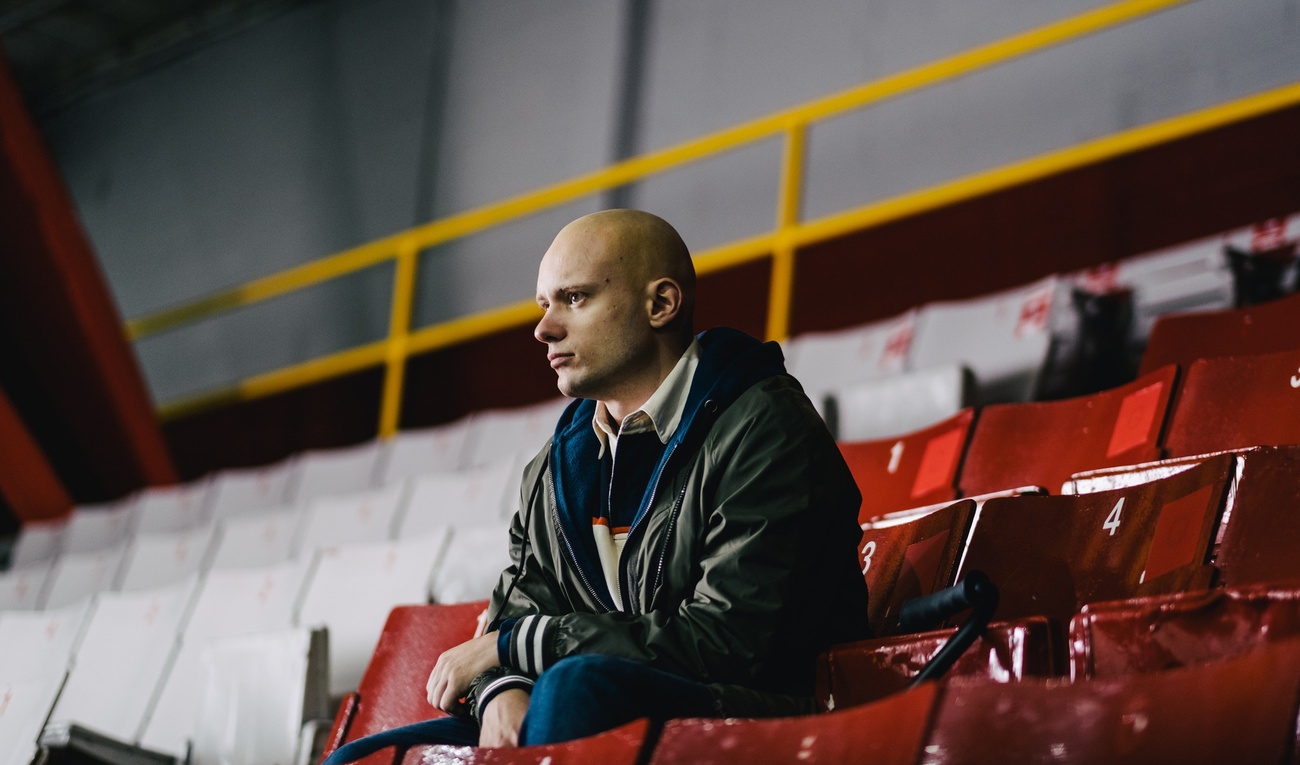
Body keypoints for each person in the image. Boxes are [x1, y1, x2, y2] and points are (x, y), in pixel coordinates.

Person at [324, 210, 869, 763]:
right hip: (603, 712)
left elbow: (731, 643)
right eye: (544, 305)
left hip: (764, 717)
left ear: (661, 305)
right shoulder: (556, 466)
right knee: (354, 760)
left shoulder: (765, 428)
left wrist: (524, 648)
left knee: (573, 691)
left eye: (575, 299)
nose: (544, 329)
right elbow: (514, 615)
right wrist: (500, 690)